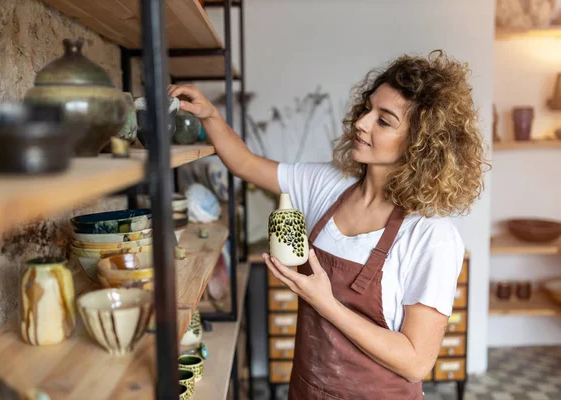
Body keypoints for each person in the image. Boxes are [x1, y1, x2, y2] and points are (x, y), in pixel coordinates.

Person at [169, 50, 488, 400]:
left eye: (384, 121)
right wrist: (210, 115)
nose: (362, 123)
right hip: (308, 389)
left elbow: (415, 362)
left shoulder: (430, 235)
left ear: (420, 144)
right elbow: (245, 163)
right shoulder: (327, 184)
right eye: (367, 109)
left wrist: (327, 303)